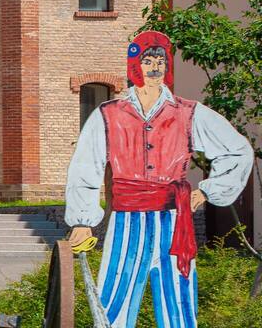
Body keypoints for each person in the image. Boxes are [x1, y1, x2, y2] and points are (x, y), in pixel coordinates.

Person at [65, 31, 254, 328]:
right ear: (134, 67)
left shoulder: (189, 113)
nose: (154, 67)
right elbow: (85, 166)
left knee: (178, 305)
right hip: (127, 222)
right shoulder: (108, 114)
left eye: (160, 61)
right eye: (147, 61)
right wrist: (82, 220)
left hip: (174, 222)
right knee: (114, 304)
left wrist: (206, 191)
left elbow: (238, 150)